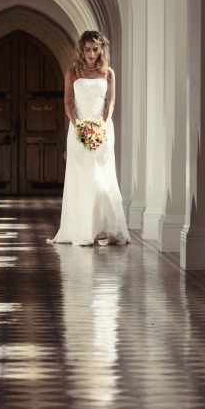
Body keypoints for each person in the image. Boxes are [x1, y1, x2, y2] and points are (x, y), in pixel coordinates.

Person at [49, 30, 130, 247]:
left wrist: (101, 126)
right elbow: (68, 105)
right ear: (81, 50)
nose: (91, 54)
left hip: (103, 129)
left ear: (101, 50)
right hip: (78, 131)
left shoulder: (108, 73)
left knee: (103, 178)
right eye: (87, 50)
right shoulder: (72, 73)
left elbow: (110, 103)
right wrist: (80, 129)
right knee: (83, 178)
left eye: (95, 50)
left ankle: (106, 226)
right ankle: (84, 229)